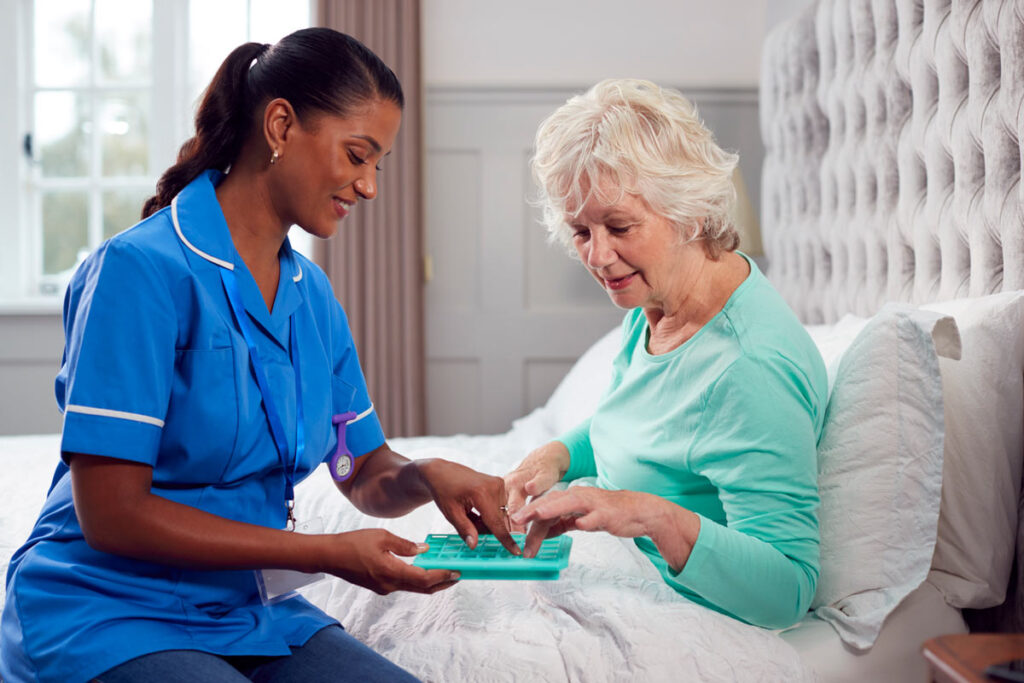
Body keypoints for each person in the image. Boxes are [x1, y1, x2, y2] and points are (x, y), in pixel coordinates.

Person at [0, 28, 517, 683]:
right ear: (280, 124)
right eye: (357, 155)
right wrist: (324, 552)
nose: (369, 187)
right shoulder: (139, 271)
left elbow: (358, 468)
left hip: (244, 608)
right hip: (105, 612)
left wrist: (425, 474)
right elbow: (111, 513)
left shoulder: (312, 295)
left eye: (377, 165)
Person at [504, 79, 827, 631]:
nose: (599, 256)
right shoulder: (660, 298)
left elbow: (788, 589)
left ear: (692, 211)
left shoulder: (749, 369)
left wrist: (647, 514)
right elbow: (642, 423)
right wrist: (557, 455)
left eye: (620, 227)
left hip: (685, 609)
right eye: (581, 231)